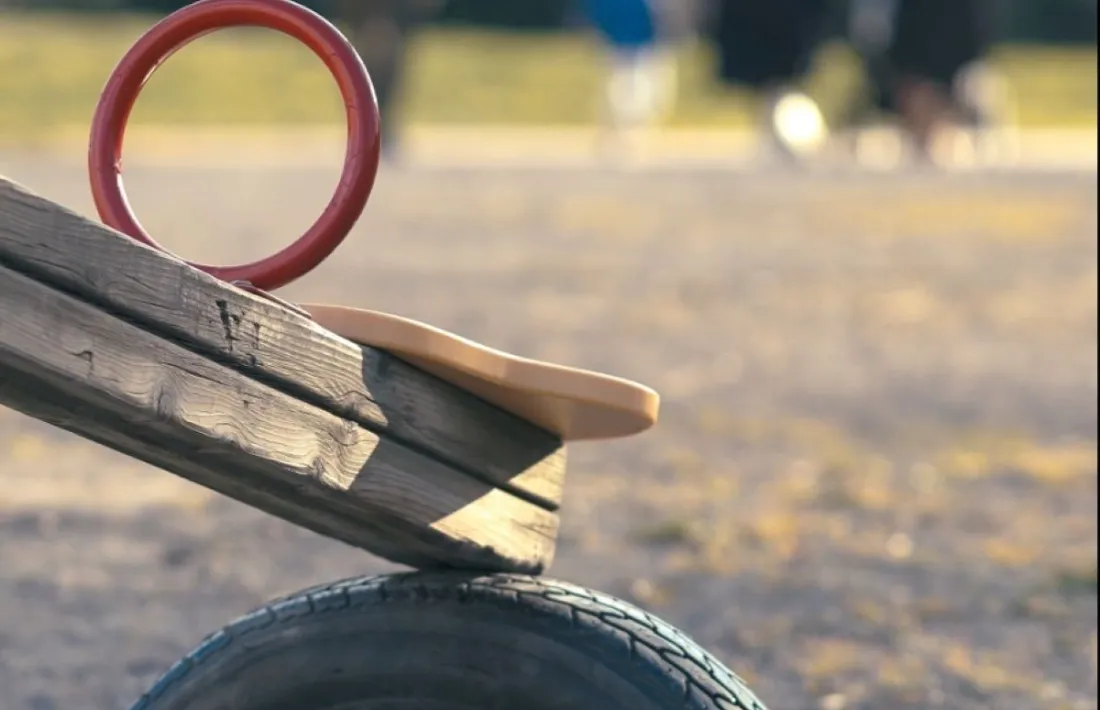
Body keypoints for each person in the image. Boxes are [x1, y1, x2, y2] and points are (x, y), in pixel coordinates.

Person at [703, 0, 833, 161]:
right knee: (770, 85)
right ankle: (777, 137)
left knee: (779, 83)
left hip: (784, 25)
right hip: (758, 21)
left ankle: (792, 137)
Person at [325, 0, 445, 156]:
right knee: (361, 71)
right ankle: (362, 130)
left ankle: (380, 129)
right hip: (365, 14)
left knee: (383, 70)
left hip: (390, 14)